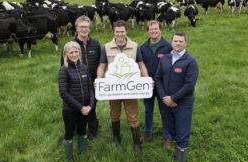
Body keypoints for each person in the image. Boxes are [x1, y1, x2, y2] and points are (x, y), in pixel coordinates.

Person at [96, 20, 149, 153]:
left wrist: (146, 78)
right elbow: (102, 66)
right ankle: (116, 138)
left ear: (126, 31)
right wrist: (99, 78)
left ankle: (137, 143)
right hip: (113, 89)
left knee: (133, 115)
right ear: (114, 32)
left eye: (122, 31)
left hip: (130, 88)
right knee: (114, 114)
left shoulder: (135, 46)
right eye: (117, 31)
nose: (120, 34)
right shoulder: (106, 47)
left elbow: (141, 64)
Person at [155, 32, 198, 162]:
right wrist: (164, 98)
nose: (177, 43)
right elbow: (158, 78)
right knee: (170, 128)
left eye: (180, 41)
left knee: (182, 131)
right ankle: (176, 150)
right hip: (166, 101)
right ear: (171, 42)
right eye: (175, 41)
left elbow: (189, 85)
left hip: (183, 103)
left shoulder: (190, 61)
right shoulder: (165, 59)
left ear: (185, 43)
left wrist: (173, 98)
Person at [61, 16, 101, 139]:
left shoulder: (95, 44)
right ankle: (76, 131)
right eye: (81, 27)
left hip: (92, 84)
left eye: (86, 27)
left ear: (89, 29)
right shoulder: (70, 46)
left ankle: (93, 132)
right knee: (76, 108)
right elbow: (64, 65)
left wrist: (98, 78)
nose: (84, 29)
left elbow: (100, 63)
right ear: (77, 28)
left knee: (92, 108)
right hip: (75, 86)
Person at [58, 41, 94, 162]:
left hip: (85, 108)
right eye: (71, 52)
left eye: (76, 52)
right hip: (71, 109)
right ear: (66, 54)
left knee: (83, 130)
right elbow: (63, 93)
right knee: (69, 133)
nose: (74, 54)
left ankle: (82, 152)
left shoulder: (84, 67)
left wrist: (90, 105)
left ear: (79, 52)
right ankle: (69, 160)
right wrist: (80, 107)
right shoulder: (64, 70)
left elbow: (90, 88)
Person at [140, 20, 172, 146]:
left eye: (156, 29)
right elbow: (140, 65)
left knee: (165, 110)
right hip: (148, 85)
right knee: (148, 109)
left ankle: (167, 136)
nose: (153, 31)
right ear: (148, 31)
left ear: (160, 30)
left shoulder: (168, 46)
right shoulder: (143, 48)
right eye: (151, 29)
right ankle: (147, 133)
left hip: (163, 85)